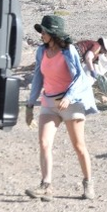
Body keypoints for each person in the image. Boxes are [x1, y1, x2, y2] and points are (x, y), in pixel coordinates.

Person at [25, 15, 98, 201]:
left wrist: (69, 96)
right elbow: (37, 78)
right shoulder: (41, 51)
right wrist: (30, 104)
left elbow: (79, 78)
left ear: (53, 34)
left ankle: (88, 183)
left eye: (44, 31)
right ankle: (46, 185)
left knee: (79, 146)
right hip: (49, 102)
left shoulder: (68, 51)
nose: (41, 34)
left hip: (71, 103)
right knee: (44, 143)